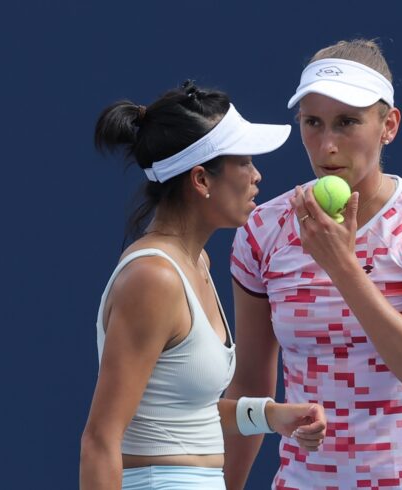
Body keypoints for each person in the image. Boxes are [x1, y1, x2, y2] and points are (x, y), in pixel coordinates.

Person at [224, 40, 402, 489]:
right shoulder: (262, 231)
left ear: (388, 126)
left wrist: (341, 265)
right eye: (313, 123)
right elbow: (249, 388)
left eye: (347, 123)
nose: (327, 145)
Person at [79, 81, 327, 490]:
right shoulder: (154, 279)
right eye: (244, 162)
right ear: (200, 180)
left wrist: (268, 415)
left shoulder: (197, 262)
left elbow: (180, 413)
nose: (257, 176)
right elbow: (100, 440)